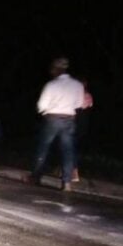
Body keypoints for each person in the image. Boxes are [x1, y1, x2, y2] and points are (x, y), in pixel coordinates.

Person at [28, 57, 85, 191]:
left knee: (44, 147)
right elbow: (79, 104)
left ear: (56, 69)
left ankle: (36, 176)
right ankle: (66, 183)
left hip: (52, 118)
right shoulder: (77, 85)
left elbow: (41, 105)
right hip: (69, 119)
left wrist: (43, 110)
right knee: (68, 150)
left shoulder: (51, 85)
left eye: (53, 69)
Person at [72, 78, 93, 182]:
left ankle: (74, 172)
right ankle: (69, 171)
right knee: (72, 147)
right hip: (82, 124)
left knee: (71, 148)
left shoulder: (78, 95)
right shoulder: (87, 95)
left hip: (76, 124)